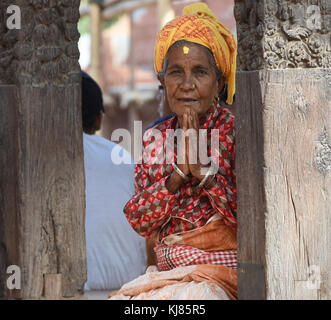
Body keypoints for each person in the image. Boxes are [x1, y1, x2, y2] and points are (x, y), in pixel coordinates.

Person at [109, 2, 237, 300]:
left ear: (219, 83)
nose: (187, 84)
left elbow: (252, 219)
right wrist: (178, 175)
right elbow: (139, 218)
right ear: (161, 82)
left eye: (200, 72)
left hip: (222, 278)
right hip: (169, 278)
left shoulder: (237, 133)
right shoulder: (157, 138)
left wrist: (205, 173)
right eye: (176, 72)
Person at [81, 72, 147, 293]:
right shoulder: (121, 157)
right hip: (127, 291)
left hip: (71, 290)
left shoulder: (40, 156)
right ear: (99, 118)